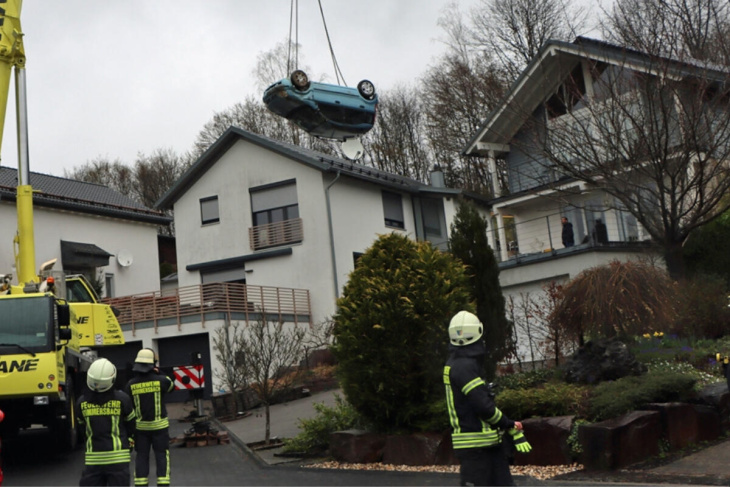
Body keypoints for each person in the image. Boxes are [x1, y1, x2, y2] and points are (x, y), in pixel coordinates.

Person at [444, 311, 532, 486]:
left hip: (485, 447)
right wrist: (508, 424)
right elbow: (483, 406)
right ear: (478, 332)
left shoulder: (456, 364)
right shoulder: (466, 367)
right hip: (478, 450)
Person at [76, 358, 136, 487]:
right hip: (119, 459)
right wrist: (129, 442)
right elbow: (131, 425)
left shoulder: (81, 402)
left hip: (93, 460)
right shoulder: (122, 399)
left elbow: (82, 428)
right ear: (112, 379)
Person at [125, 349, 174, 487]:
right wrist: (159, 372)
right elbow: (171, 385)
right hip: (160, 428)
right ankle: (163, 484)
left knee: (141, 457)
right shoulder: (162, 381)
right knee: (162, 456)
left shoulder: (130, 384)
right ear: (152, 364)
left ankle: (141, 484)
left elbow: (128, 406)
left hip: (141, 430)